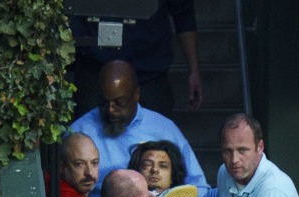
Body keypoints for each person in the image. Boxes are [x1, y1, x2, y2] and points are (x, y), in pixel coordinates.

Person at [70, 61, 210, 197]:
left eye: (119, 103)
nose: (111, 110)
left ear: (136, 95)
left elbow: (198, 185)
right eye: (105, 103)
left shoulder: (164, 129)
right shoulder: (79, 132)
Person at [69, 1, 202, 118]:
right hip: (94, 73)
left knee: (153, 142)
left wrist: (194, 71)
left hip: (148, 75)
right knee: (87, 140)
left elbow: (184, 14)